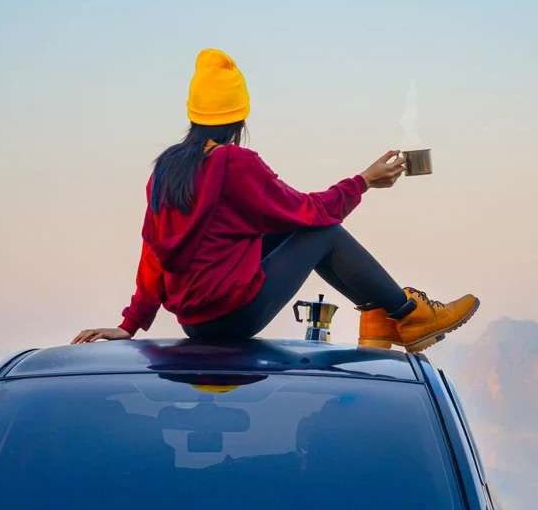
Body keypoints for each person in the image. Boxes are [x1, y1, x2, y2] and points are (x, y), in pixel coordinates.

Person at [71, 49, 479, 352]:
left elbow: (153, 251)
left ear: (193, 114)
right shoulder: (234, 163)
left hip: (193, 322)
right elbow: (314, 212)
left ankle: (378, 314)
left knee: (291, 226)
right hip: (232, 316)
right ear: (241, 116)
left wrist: (131, 323)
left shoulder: (167, 169)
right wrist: (364, 182)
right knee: (325, 233)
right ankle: (409, 316)